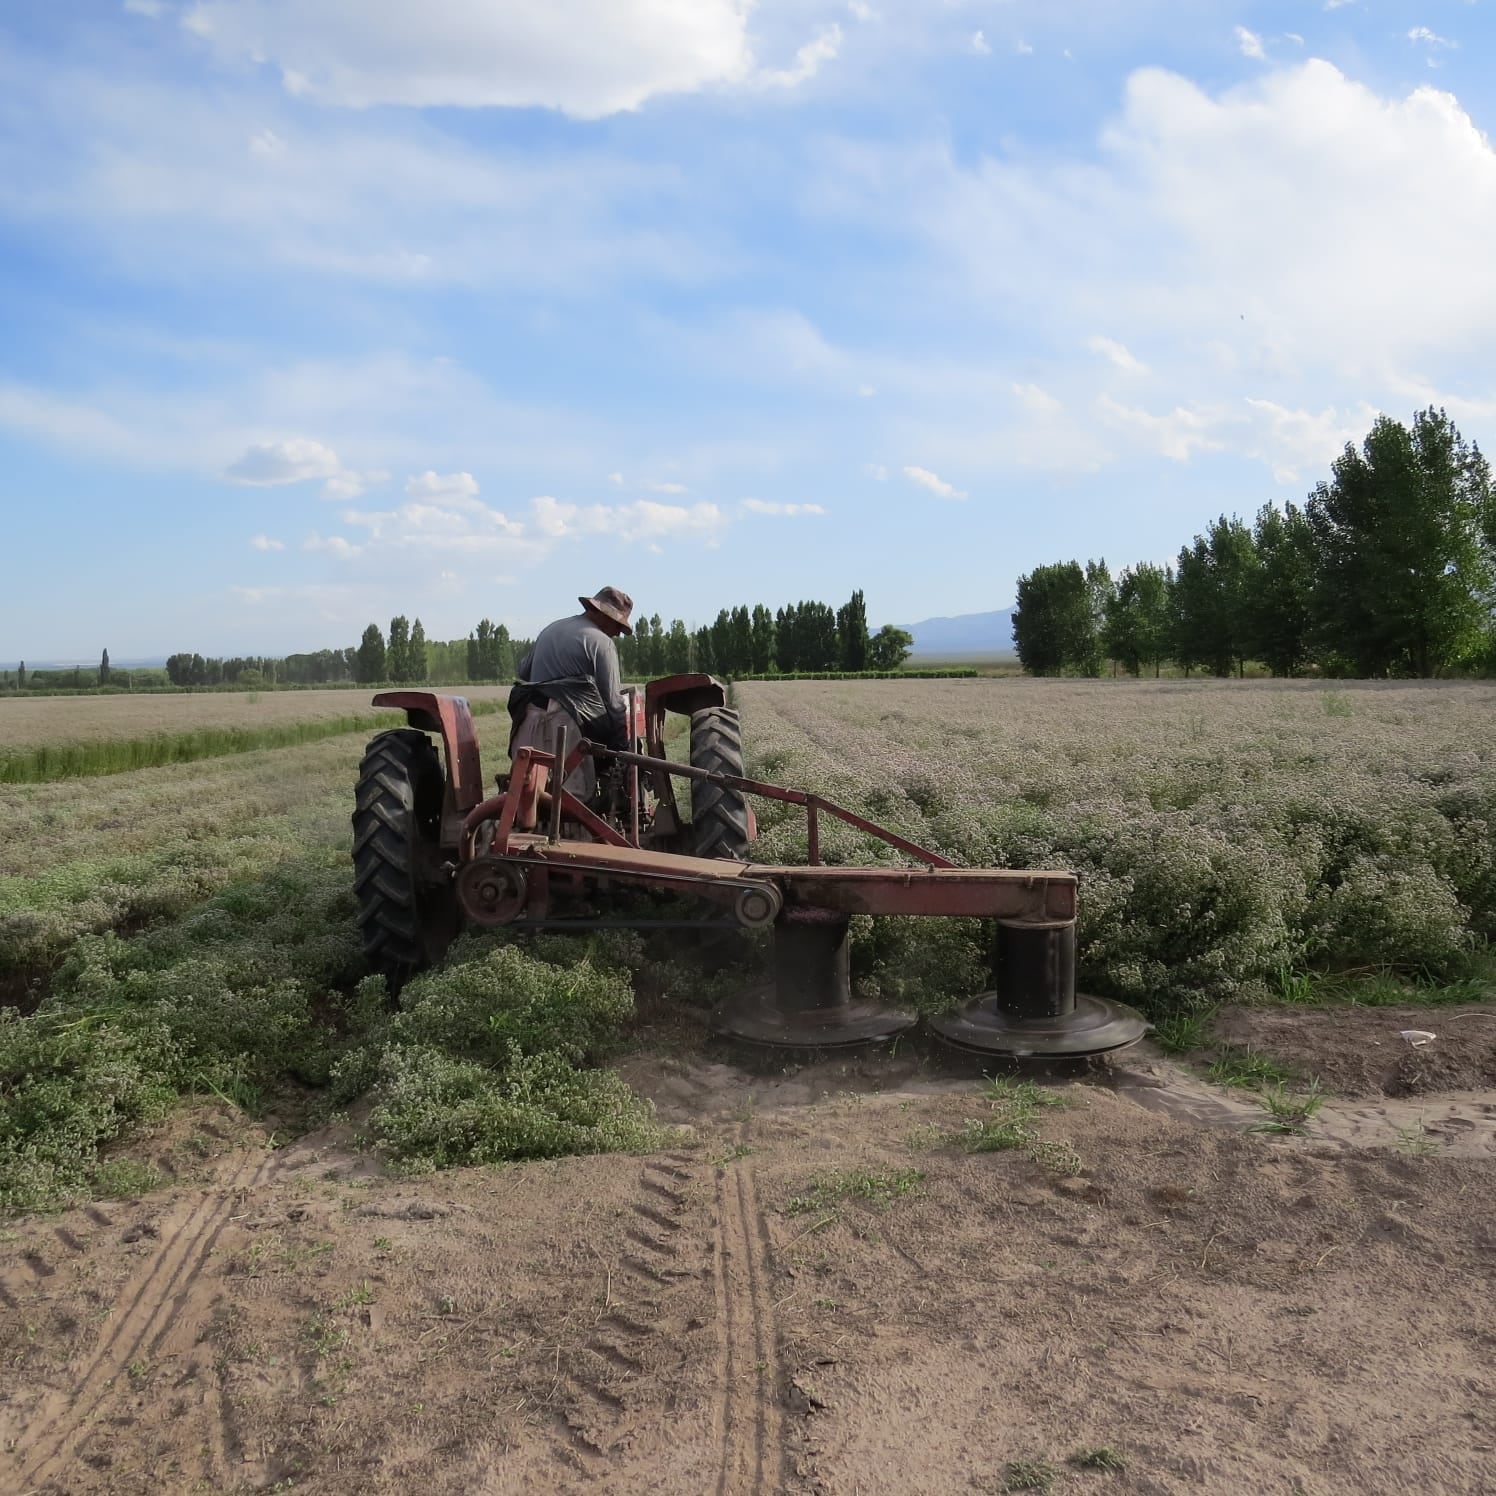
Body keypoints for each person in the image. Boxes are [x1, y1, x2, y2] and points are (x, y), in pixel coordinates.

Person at [507, 586, 634, 816]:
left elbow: (524, 671)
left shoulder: (550, 629)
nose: (616, 633)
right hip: (569, 733)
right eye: (617, 625)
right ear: (602, 614)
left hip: (528, 723)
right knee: (573, 805)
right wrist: (619, 752)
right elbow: (614, 705)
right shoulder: (601, 643)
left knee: (527, 797)